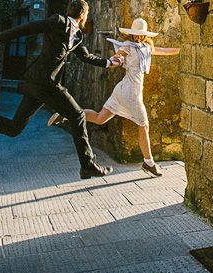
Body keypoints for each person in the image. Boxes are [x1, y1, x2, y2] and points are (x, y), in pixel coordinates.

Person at [0, 0, 124, 178]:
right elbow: (28, 28)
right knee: (78, 115)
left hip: (39, 84)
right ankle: (88, 165)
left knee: (14, 128)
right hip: (45, 82)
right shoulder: (57, 21)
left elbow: (85, 56)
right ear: (83, 14)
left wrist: (109, 62)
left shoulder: (77, 36)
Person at [55, 17, 180, 177]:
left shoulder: (147, 47)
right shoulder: (127, 46)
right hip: (130, 92)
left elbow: (162, 50)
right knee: (144, 125)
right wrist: (118, 59)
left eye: (140, 34)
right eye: (135, 34)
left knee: (100, 118)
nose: (137, 37)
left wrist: (181, 50)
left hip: (124, 90)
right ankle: (149, 163)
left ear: (143, 35)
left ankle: (69, 114)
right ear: (132, 34)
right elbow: (117, 58)